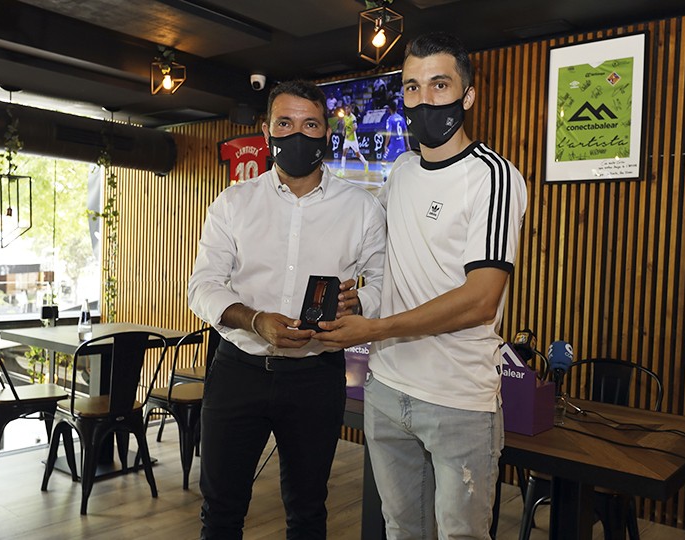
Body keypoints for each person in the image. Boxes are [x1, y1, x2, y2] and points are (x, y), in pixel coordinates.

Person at [315, 32, 528, 539]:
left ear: (467, 96)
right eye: (412, 88)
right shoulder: (403, 171)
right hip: (387, 389)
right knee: (399, 531)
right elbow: (376, 254)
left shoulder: (494, 178)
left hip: (458, 399)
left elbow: (481, 299)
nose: (424, 100)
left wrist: (376, 326)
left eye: (439, 85)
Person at [188, 79, 386, 540]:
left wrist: (360, 302)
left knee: (308, 510)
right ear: (267, 131)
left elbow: (381, 284)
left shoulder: (361, 208)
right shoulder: (233, 203)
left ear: (326, 133)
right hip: (238, 371)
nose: (297, 134)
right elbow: (202, 286)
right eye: (285, 123)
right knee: (220, 511)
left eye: (310, 124)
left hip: (316, 377)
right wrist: (255, 321)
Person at [339, 103, 369, 175]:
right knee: (344, 153)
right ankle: (342, 171)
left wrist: (349, 134)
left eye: (348, 109)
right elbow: (345, 125)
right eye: (345, 109)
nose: (346, 110)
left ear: (350, 109)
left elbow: (355, 127)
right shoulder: (345, 117)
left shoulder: (353, 118)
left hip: (352, 139)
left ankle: (365, 163)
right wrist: (343, 130)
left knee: (357, 154)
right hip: (347, 139)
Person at [381, 101, 407, 179]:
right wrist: (407, 144)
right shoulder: (401, 118)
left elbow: (388, 133)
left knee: (384, 161)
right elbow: (405, 131)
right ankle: (402, 178)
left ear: (389, 109)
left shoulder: (390, 119)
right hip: (402, 144)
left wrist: (385, 145)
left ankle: (384, 179)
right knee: (399, 162)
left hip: (394, 144)